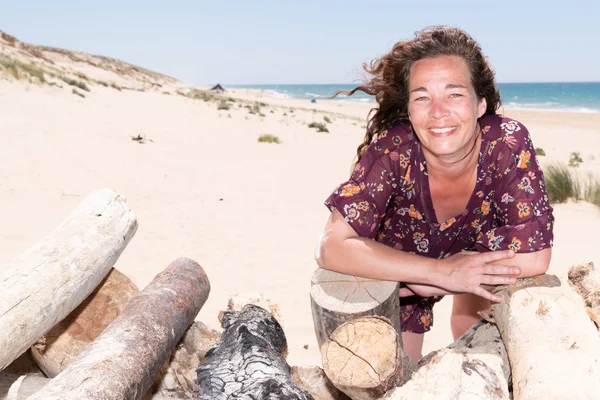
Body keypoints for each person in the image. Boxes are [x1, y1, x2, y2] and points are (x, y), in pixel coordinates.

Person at [316, 26, 554, 361]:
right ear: (410, 110)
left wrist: (453, 277)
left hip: (473, 260)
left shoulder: (506, 141)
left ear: (480, 103)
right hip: (395, 274)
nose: (438, 111)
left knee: (480, 350)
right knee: (391, 375)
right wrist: (436, 274)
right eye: (422, 97)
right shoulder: (391, 151)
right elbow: (330, 247)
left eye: (454, 94)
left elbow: (535, 255)